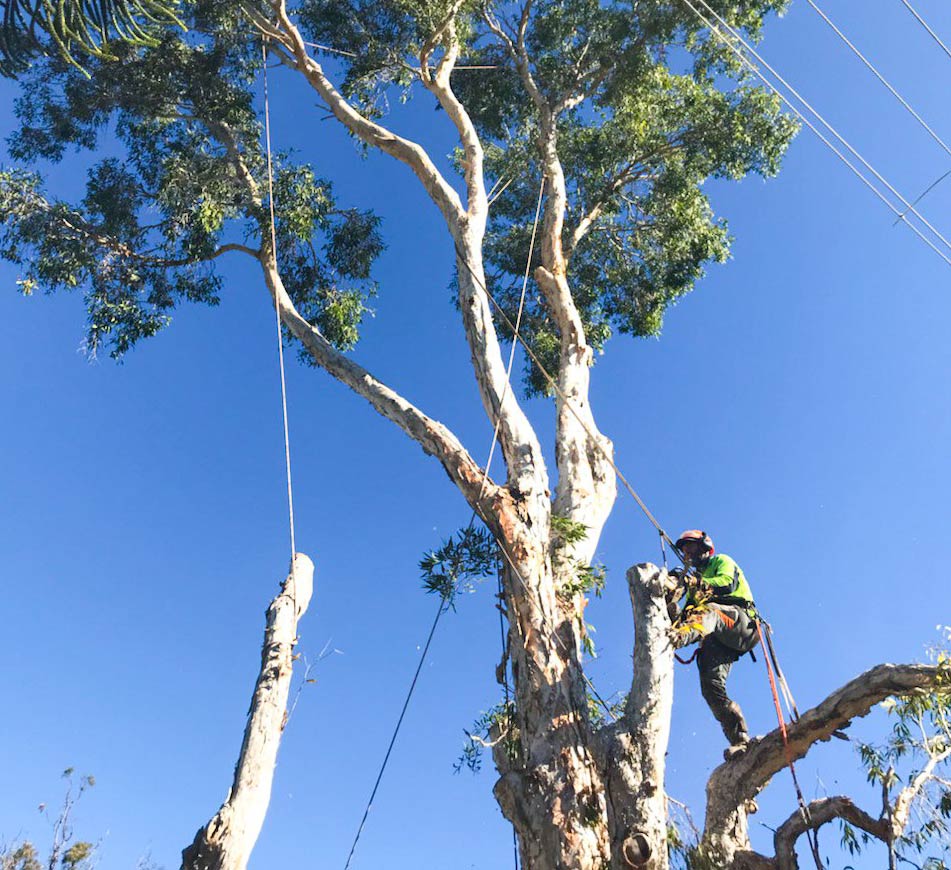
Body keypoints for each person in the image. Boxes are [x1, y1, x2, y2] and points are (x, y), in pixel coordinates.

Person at [669, 530, 759, 749]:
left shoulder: (721, 561)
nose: (687, 554)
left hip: (740, 623)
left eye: (691, 547)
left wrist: (694, 581)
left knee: (711, 611)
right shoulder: (694, 586)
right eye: (684, 550)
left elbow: (726, 583)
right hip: (719, 640)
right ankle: (740, 740)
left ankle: (675, 638)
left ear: (704, 547)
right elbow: (691, 615)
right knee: (710, 688)